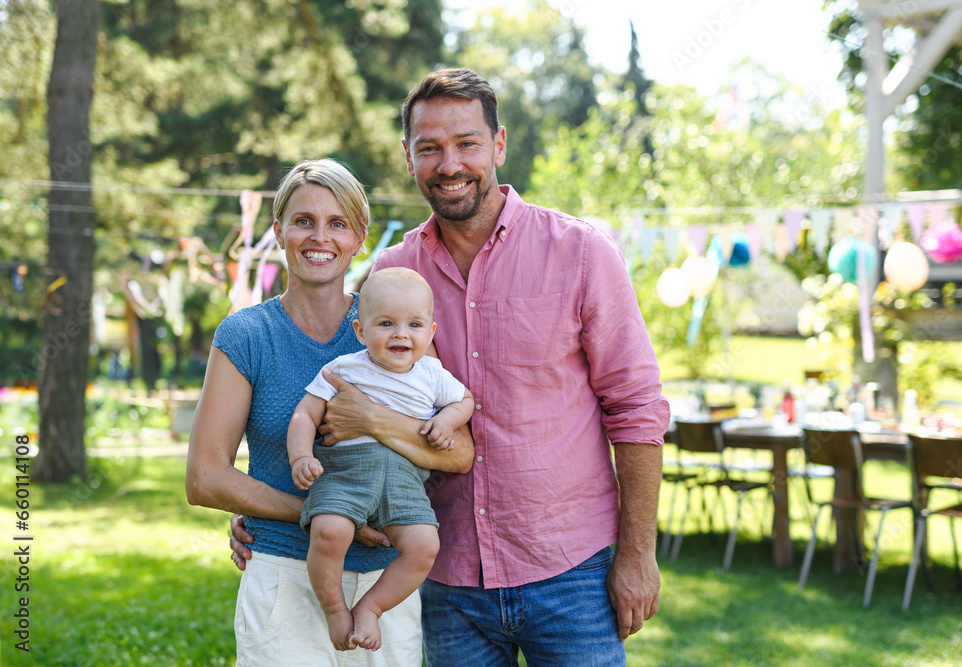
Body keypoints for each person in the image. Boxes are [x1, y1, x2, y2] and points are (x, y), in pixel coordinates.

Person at [233, 68, 670, 665]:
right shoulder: (391, 272)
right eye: (430, 147)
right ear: (408, 156)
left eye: (467, 143)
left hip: (570, 572)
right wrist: (272, 500)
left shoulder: (580, 253)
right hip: (440, 576)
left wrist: (638, 554)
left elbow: (638, 410)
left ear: (499, 146)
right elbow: (334, 388)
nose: (450, 163)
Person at [187, 157, 473, 667]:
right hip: (284, 575)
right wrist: (321, 513)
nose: (320, 237)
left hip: (384, 588)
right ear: (278, 231)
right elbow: (205, 478)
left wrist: (370, 420)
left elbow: (458, 454)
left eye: (337, 223)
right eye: (303, 221)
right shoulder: (247, 335)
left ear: (360, 236)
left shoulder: (393, 325)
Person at [287, 267, 474, 652]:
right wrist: (301, 456)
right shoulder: (343, 369)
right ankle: (336, 609)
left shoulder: (432, 374)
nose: (401, 334)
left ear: (431, 333)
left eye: (414, 324)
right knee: (329, 531)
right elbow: (305, 414)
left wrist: (446, 419)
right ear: (360, 331)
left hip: (404, 482)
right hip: (345, 473)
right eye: (386, 323)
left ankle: (371, 607)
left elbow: (465, 401)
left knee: (424, 546)